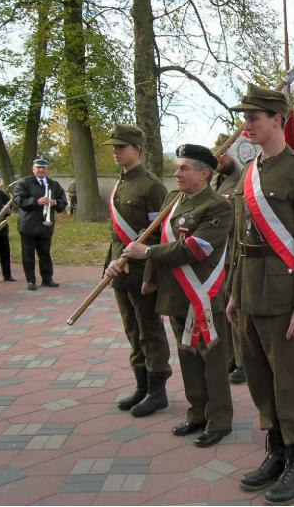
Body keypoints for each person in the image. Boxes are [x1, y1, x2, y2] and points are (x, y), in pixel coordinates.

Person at [226, 83, 294, 505]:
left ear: (277, 120)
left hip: (285, 296)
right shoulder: (250, 172)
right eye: (245, 117)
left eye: (253, 117)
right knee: (260, 379)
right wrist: (233, 293)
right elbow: (239, 240)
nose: (246, 124)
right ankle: (277, 450)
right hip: (249, 293)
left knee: (288, 381)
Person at [126, 144, 234, 447]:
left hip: (202, 293)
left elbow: (198, 248)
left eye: (184, 168)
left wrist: (146, 253)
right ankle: (196, 413)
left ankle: (220, 420)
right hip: (176, 294)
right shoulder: (174, 200)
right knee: (187, 356)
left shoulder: (217, 206)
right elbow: (160, 236)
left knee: (211, 360)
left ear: (204, 173)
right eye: (177, 168)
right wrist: (149, 277)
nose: (177, 173)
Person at [100, 125, 173, 418]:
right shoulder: (122, 182)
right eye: (114, 147)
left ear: (137, 149)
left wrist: (150, 275)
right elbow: (115, 234)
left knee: (149, 331)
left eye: (121, 147)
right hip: (121, 271)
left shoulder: (152, 186)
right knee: (132, 330)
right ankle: (141, 386)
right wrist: (111, 262)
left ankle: (158, 392)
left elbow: (159, 234)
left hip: (142, 272)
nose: (116, 152)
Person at [213, 132, 258, 386]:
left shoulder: (244, 179)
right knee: (225, 311)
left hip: (236, 252)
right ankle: (230, 358)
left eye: (223, 152)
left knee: (238, 310)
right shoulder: (219, 181)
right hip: (221, 255)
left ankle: (243, 362)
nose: (218, 157)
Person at [13, 158, 68, 290]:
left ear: (47, 169)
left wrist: (54, 202)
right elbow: (18, 200)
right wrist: (36, 201)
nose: (41, 170)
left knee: (45, 253)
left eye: (44, 168)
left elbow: (63, 202)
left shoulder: (53, 184)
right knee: (28, 255)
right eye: (38, 167)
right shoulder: (24, 183)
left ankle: (47, 279)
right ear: (33, 169)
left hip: (45, 226)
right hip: (28, 225)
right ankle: (31, 281)